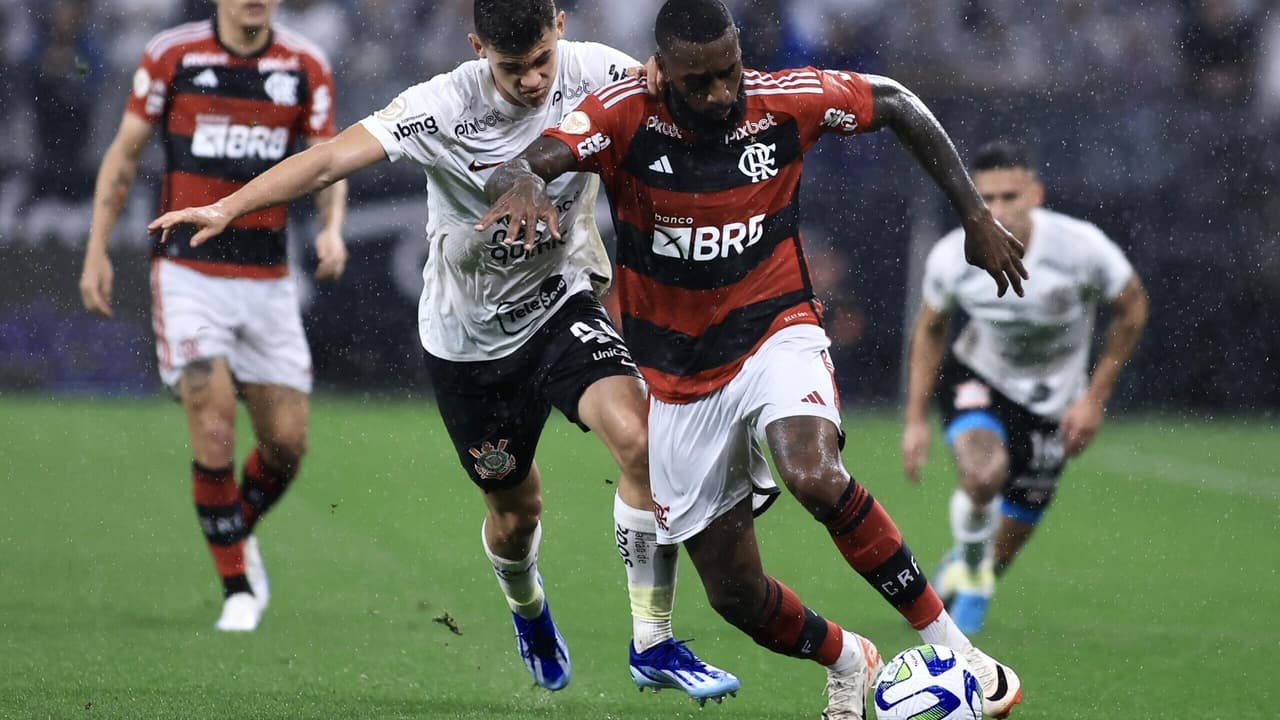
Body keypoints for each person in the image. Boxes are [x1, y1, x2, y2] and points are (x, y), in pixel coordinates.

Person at [147, 0, 740, 701]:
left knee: (640, 441)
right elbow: (329, 159)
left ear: (561, 25)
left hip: (560, 302)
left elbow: (704, 91)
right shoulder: (440, 105)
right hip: (468, 342)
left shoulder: (601, 74)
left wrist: (663, 75)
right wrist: (226, 207)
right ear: (476, 46)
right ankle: (528, 610)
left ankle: (653, 642)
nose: (531, 81)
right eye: (511, 67)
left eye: (542, 61)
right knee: (517, 515)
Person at [478, 1, 1027, 717]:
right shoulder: (621, 116)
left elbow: (895, 101)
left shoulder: (781, 103)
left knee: (814, 473)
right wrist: (521, 184)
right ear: (662, 73)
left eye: (729, 72)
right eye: (700, 82)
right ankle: (849, 658)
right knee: (736, 595)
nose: (721, 94)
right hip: (678, 384)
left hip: (776, 332)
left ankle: (961, 652)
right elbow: (518, 164)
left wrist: (973, 214)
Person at [77, 0, 346, 632]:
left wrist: (333, 228)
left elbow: (328, 158)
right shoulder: (173, 55)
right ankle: (237, 590)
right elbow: (123, 154)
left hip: (268, 279)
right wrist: (96, 249)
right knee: (212, 411)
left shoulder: (305, 64)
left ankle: (232, 529)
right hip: (187, 272)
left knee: (286, 445)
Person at [901, 140, 1149, 634]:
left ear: (1035, 194)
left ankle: (968, 562)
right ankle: (972, 578)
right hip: (978, 377)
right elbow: (930, 329)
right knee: (983, 474)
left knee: (1006, 545)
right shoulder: (953, 256)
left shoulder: (1082, 248)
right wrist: (914, 420)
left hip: (1054, 400)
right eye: (984, 198)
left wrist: (1093, 399)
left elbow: (1133, 308)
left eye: (1009, 197)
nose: (995, 210)